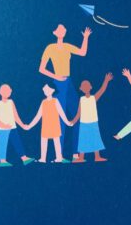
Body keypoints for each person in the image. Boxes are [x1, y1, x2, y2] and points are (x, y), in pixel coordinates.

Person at [39, 24, 92, 160]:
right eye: (60, 29)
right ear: (54, 32)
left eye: (64, 29)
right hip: (58, 84)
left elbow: (83, 52)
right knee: (60, 120)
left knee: (77, 116)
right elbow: (41, 69)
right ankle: (59, 156)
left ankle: (75, 153)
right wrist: (56, 77)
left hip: (69, 82)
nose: (62, 31)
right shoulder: (50, 48)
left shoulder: (67, 46)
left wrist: (85, 37)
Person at [71, 73, 113, 163]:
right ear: (81, 89)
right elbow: (79, 113)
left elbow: (102, 90)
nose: (85, 87)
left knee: (95, 139)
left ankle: (97, 157)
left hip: (93, 122)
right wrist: (73, 121)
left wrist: (106, 81)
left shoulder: (94, 98)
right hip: (83, 123)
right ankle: (81, 157)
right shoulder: (81, 99)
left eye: (87, 86)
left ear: (90, 87)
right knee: (83, 140)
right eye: (84, 86)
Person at [25, 84, 72, 163]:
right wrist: (29, 126)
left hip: (54, 125)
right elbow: (38, 116)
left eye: (47, 89)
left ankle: (59, 158)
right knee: (43, 141)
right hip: (45, 126)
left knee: (56, 141)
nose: (45, 91)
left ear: (53, 90)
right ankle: (43, 158)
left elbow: (61, 113)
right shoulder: (43, 102)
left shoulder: (55, 101)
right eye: (44, 90)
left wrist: (67, 122)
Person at [0, 84, 34, 167]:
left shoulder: (11, 102)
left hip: (12, 127)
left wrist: (22, 125)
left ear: (10, 91)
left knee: (17, 142)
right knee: (3, 143)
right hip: (2, 129)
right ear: (0, 92)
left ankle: (24, 158)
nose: (6, 92)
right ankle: (2, 161)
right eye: (4, 90)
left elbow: (16, 116)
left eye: (8, 90)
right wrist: (3, 125)